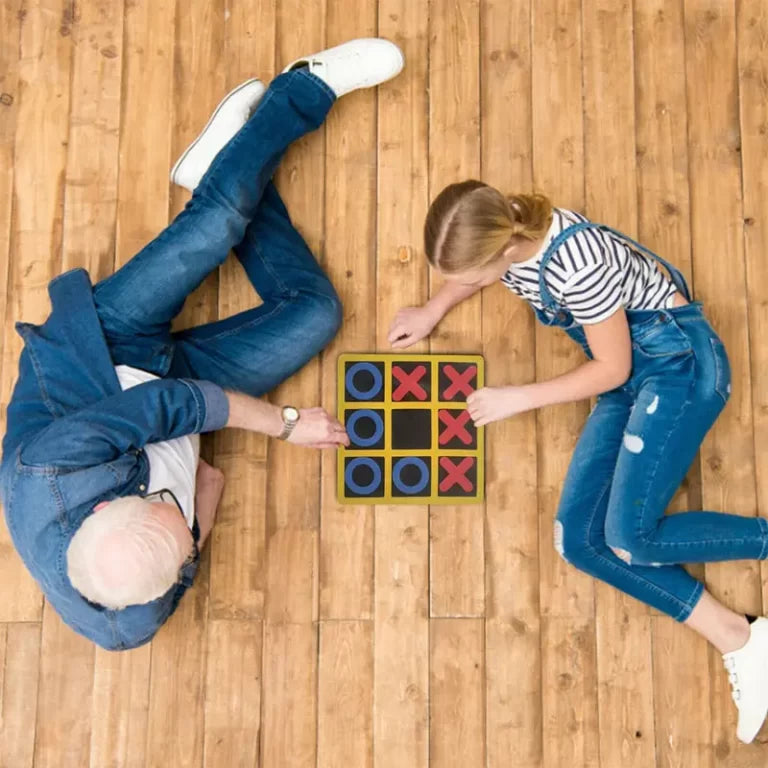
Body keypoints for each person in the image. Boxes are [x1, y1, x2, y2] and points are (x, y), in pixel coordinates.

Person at [0, 38, 404, 651]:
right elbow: (182, 553)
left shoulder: (53, 467)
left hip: (104, 353)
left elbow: (180, 404)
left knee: (216, 221)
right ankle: (219, 157)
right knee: (317, 314)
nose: (177, 511)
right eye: (180, 530)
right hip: (176, 408)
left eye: (162, 504)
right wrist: (200, 504)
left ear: (104, 508)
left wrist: (288, 424)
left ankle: (304, 88)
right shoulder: (131, 616)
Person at [388, 180, 768, 744]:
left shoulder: (578, 267)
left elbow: (612, 371)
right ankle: (740, 637)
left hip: (676, 368)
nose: (462, 284)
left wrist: (519, 396)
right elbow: (478, 277)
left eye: (467, 277)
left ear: (502, 250)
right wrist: (433, 306)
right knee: (579, 542)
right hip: (630, 368)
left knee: (633, 540)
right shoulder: (512, 225)